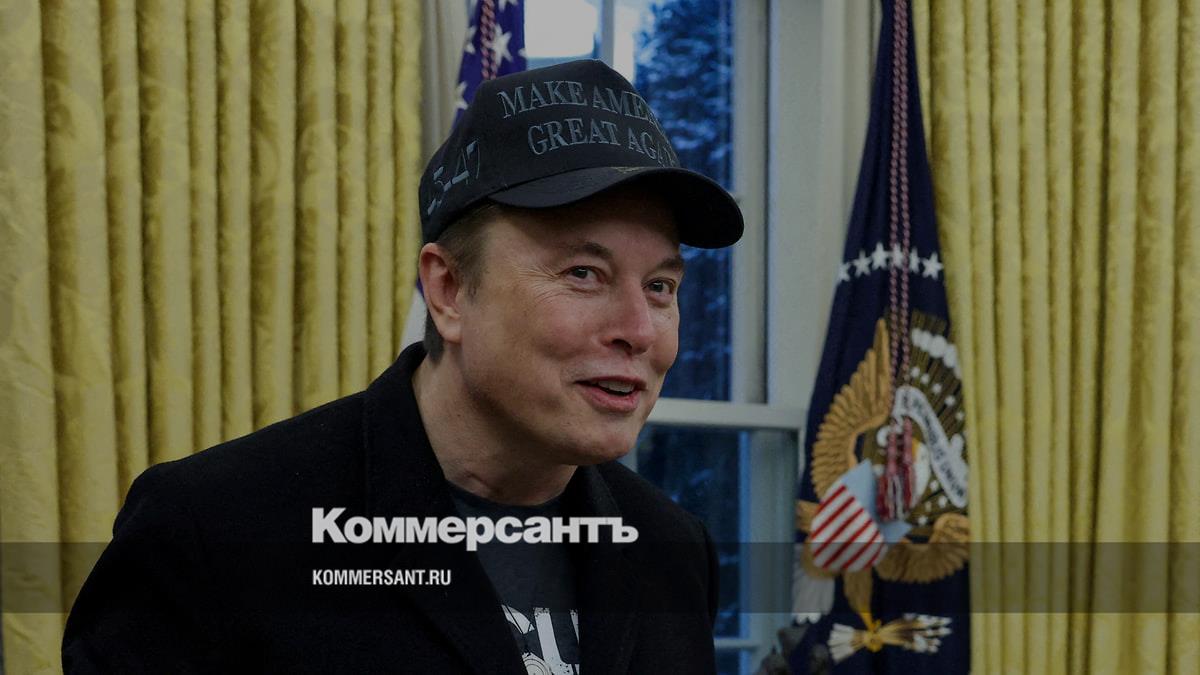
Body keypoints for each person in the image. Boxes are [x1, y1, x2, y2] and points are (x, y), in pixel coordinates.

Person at [62, 59, 743, 673]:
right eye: (584, 273)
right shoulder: (213, 532)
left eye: (661, 287)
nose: (639, 330)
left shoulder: (672, 550)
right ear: (448, 290)